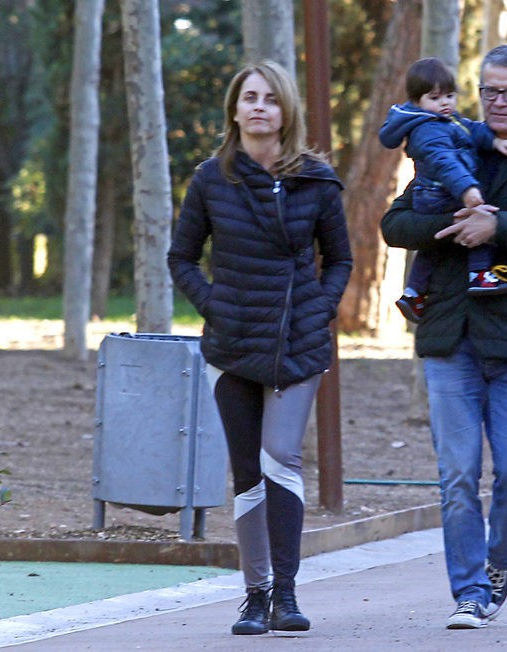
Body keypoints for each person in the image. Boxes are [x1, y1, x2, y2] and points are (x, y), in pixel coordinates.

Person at [381, 44, 507, 629]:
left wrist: (500, 225)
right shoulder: (443, 145)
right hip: (450, 339)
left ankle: (499, 564)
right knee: (457, 477)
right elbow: (394, 225)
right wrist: (453, 230)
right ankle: (469, 591)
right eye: (489, 91)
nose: (498, 102)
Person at [167, 60, 352, 636]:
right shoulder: (210, 179)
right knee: (247, 471)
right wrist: (215, 305)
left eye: (270, 99)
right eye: (249, 97)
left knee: (281, 457)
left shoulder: (317, 181)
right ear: (234, 110)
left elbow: (340, 258)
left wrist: (318, 310)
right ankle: (254, 596)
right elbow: (182, 257)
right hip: (231, 344)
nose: (258, 107)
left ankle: (287, 596)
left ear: (285, 111)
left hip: (298, 343)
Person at [378, 57, 507, 324]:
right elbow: (445, 163)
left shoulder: (448, 121)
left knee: (433, 246)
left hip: (434, 193)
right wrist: (467, 190)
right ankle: (479, 273)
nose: (445, 103)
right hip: (441, 192)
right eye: (435, 97)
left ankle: (413, 293)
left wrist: (495, 141)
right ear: (417, 101)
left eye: (450, 96)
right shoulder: (427, 130)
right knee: (479, 219)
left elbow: (474, 130)